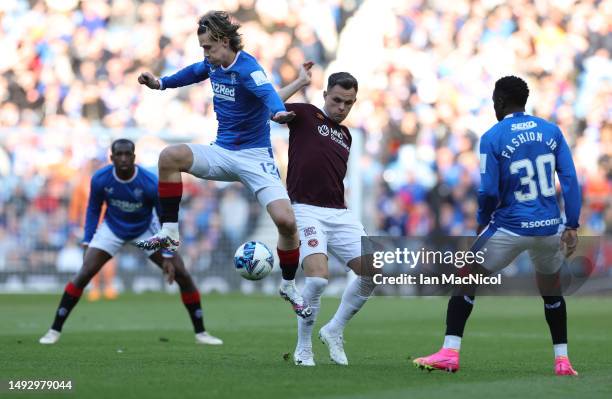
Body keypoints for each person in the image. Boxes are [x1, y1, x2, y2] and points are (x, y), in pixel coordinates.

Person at [135, 11, 310, 318]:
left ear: (225, 42)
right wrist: (160, 83)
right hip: (223, 151)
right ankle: (170, 232)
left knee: (287, 222)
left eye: (208, 48)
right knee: (168, 157)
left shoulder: (247, 67)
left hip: (256, 158)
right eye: (202, 48)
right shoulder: (213, 64)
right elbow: (191, 72)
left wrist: (277, 114)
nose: (205, 54)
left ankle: (288, 285)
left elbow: (267, 92)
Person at [413, 76, 581, 376]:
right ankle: (562, 360)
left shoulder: (493, 136)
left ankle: (450, 352)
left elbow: (488, 190)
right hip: (548, 228)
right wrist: (572, 224)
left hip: (511, 227)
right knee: (551, 291)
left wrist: (481, 220)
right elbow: (568, 179)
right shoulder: (551, 131)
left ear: (500, 101)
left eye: (494, 99)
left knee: (465, 276)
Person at [39, 139, 222, 346]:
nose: (124, 158)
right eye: (120, 155)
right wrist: (88, 241)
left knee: (182, 274)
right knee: (84, 273)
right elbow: (92, 209)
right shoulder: (100, 179)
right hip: (112, 228)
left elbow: (165, 217)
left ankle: (201, 333)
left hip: (145, 229)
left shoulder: (149, 182)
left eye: (128, 155)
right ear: (112, 158)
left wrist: (169, 255)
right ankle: (54, 330)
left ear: (134, 157)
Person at [276, 64, 376, 366]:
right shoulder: (306, 115)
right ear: (325, 95)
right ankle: (303, 347)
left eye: (348, 102)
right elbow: (269, 104)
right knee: (318, 281)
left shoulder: (346, 135)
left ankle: (334, 330)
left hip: (339, 214)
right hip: (306, 211)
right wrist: (299, 81)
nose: (342, 107)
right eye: (336, 100)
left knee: (374, 270)